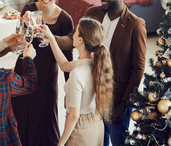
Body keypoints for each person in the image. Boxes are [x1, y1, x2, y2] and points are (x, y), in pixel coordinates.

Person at [57, 0, 147, 146]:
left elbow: (139, 68)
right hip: (91, 96)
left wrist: (124, 104)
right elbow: (73, 38)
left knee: (118, 140)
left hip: (116, 97)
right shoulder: (92, 13)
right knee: (99, 139)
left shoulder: (135, 25)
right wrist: (51, 38)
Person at [12, 0, 74, 146]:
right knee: (21, 115)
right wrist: (23, 27)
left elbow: (67, 59)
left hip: (46, 76)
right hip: (24, 70)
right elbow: (20, 45)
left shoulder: (65, 20)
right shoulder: (28, 9)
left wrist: (69, 92)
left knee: (45, 119)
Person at [39, 18, 114, 146]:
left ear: (80, 40)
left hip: (81, 131)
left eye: (76, 31)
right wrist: (51, 39)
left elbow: (74, 116)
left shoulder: (77, 74)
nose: (73, 33)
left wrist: (61, 143)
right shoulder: (95, 62)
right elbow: (64, 65)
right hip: (97, 123)